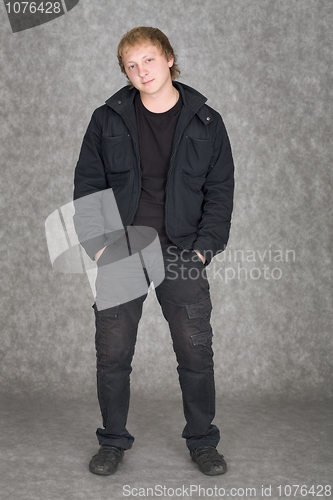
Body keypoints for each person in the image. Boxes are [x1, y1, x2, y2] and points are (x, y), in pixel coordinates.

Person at [73, 26, 234, 477]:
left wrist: (205, 249)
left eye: (147, 59)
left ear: (167, 58)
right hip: (121, 251)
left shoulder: (207, 121)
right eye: (131, 65)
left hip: (182, 251)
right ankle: (112, 442)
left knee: (195, 354)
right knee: (113, 355)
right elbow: (88, 184)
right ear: (125, 72)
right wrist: (98, 247)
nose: (141, 71)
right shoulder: (107, 119)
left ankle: (203, 442)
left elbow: (221, 190)